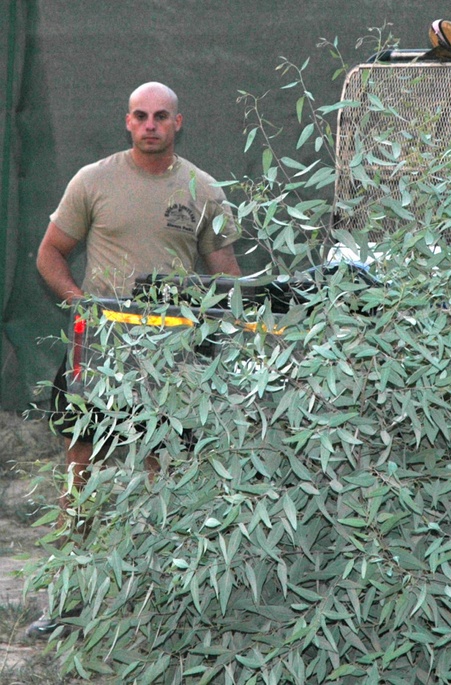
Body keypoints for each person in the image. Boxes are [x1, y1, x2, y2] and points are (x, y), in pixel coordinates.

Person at [29, 81, 241, 638]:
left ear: (178, 123)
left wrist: (228, 322)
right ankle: (65, 603)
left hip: (172, 358)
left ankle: (157, 608)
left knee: (162, 474)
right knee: (81, 472)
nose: (151, 125)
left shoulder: (204, 189)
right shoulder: (93, 180)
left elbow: (228, 274)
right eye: (141, 116)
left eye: (161, 117)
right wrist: (84, 307)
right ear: (127, 122)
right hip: (100, 351)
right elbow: (50, 254)